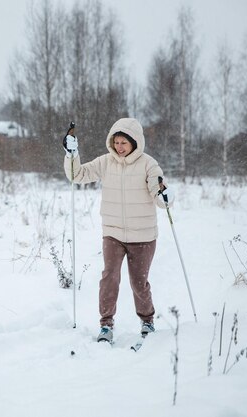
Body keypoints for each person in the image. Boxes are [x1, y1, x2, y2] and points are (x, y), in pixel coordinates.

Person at [62, 117, 173, 343]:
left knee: (138, 282)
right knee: (109, 278)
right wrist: (71, 155)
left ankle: (147, 321)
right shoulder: (105, 162)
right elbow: (77, 175)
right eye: (116, 142)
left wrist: (164, 194)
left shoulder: (149, 164)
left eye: (124, 142)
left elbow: (161, 198)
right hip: (113, 232)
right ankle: (106, 325)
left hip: (142, 235)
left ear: (135, 142)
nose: (119, 147)